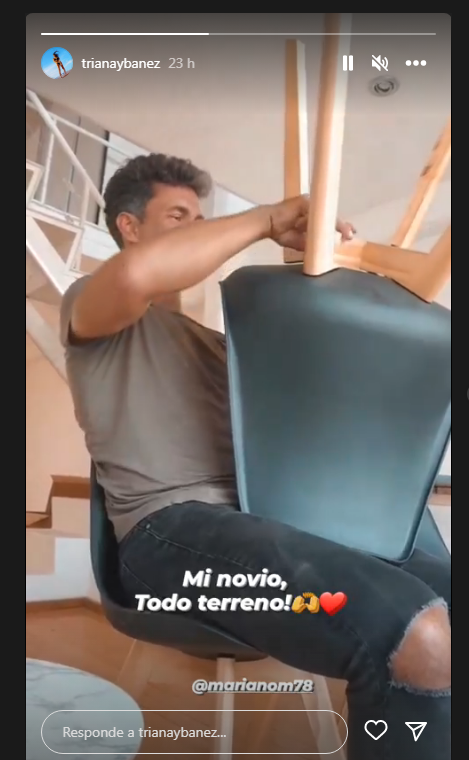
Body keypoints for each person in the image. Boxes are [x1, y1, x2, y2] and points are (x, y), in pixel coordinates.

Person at [60, 153, 451, 759]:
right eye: (178, 216)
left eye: (201, 218)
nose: (197, 227)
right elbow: (135, 277)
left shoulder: (231, 347)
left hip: (271, 522)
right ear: (129, 227)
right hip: (167, 538)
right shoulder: (93, 308)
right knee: (417, 633)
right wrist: (267, 220)